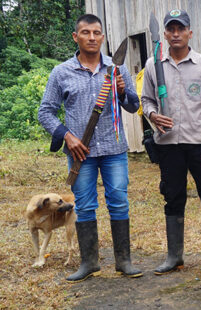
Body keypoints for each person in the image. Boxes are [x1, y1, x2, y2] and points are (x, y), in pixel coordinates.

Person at [37, 13, 143, 282]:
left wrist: (122, 92)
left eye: (96, 33)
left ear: (102, 37)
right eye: (86, 32)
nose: (92, 37)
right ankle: (89, 263)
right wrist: (66, 135)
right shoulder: (61, 72)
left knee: (119, 202)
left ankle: (124, 261)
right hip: (79, 152)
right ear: (76, 36)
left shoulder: (116, 69)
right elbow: (45, 112)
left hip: (114, 148)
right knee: (83, 206)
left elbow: (132, 106)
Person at [140, 9, 201, 275]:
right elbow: (146, 100)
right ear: (164, 34)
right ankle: (175, 256)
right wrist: (153, 114)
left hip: (200, 142)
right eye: (171, 29)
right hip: (168, 144)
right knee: (173, 197)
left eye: (181, 29)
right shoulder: (153, 65)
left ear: (190, 33)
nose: (176, 34)